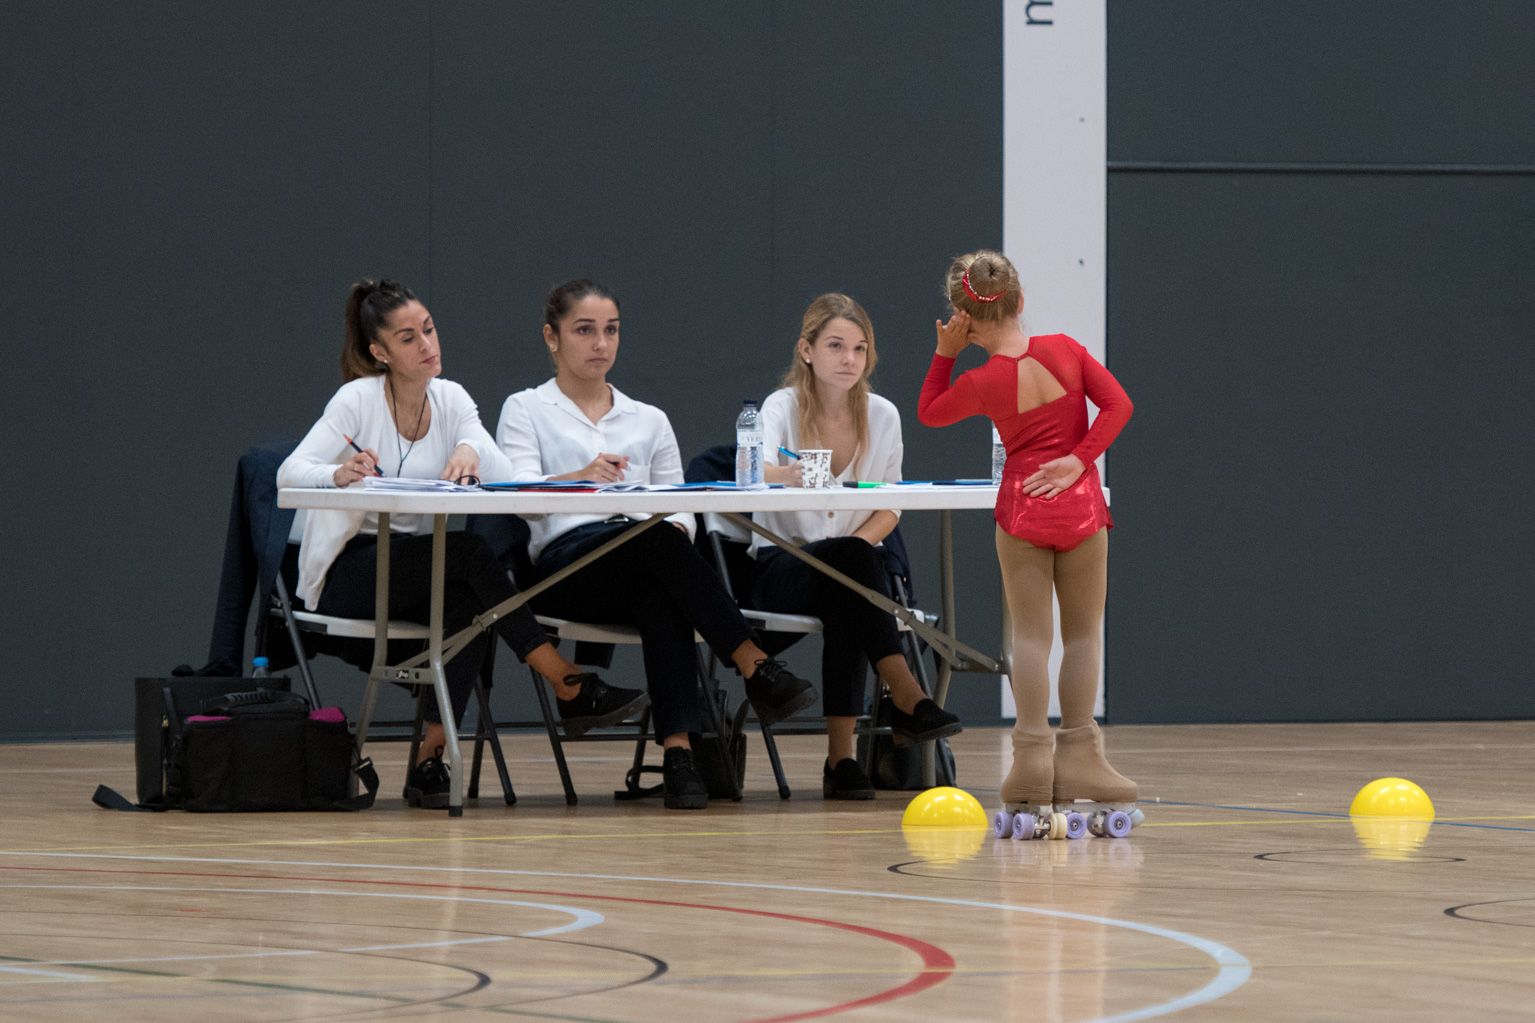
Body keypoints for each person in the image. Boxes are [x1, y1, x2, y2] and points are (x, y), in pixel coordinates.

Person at [277, 279, 647, 808]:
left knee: (471, 606)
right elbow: (289, 472)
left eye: (429, 330)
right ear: (380, 352)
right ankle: (564, 680)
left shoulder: (450, 399)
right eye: (408, 338)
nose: (427, 345)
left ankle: (430, 760)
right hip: (348, 572)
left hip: (417, 571)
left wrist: (516, 459)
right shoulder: (357, 399)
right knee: (470, 554)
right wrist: (338, 473)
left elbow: (512, 486)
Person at [496, 279, 818, 811]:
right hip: (567, 567)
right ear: (552, 338)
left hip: (647, 558)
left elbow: (682, 507)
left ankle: (679, 757)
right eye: (584, 331)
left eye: (611, 330)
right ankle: (753, 664)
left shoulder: (648, 418)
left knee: (660, 581)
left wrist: (672, 534)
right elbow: (519, 498)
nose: (601, 343)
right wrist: (580, 477)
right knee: (656, 546)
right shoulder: (526, 408)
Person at [916, 251, 1137, 816]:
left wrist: (945, 354)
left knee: (1031, 639)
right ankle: (1081, 754)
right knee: (1083, 635)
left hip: (1022, 512)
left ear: (964, 319)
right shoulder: (1065, 349)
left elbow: (930, 412)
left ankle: (1033, 760)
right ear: (1020, 300)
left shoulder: (983, 380)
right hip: (1081, 508)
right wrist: (1078, 460)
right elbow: (1119, 405)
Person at [752, 293, 962, 799]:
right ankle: (906, 695)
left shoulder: (883, 415)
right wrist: (786, 475)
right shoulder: (781, 407)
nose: (849, 359)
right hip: (784, 565)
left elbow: (891, 506)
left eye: (860, 348)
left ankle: (843, 762)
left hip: (851, 568)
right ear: (806, 350)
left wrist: (857, 550)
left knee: (849, 584)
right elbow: (751, 470)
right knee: (853, 577)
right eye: (836, 346)